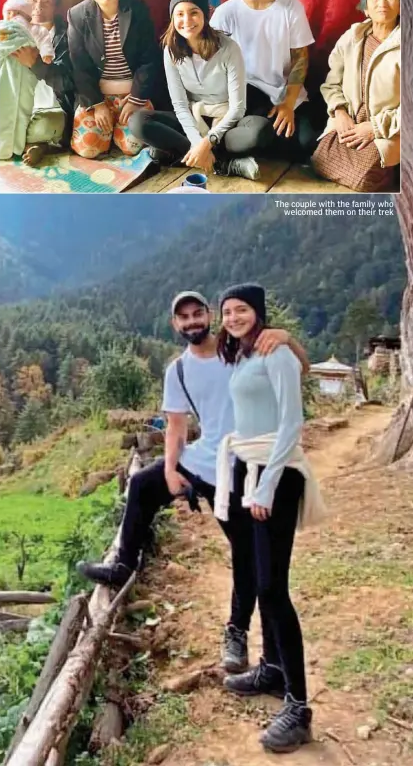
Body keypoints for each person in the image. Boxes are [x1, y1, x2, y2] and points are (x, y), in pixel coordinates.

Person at [77, 290, 309, 674]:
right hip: (205, 458)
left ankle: (238, 632)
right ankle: (123, 564)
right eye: (183, 317)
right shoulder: (178, 370)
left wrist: (287, 338)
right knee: (143, 485)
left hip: (244, 465)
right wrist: (170, 469)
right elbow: (176, 427)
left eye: (197, 314)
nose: (191, 322)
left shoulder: (238, 349)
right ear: (175, 324)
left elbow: (298, 368)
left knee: (247, 555)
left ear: (209, 317)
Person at [215, 283, 325, 754]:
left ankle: (298, 707)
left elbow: (291, 423)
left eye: (242, 310)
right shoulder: (242, 353)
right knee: (260, 581)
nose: (233, 317)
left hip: (273, 474)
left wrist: (266, 484)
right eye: (227, 311)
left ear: (258, 313)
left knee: (273, 590)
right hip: (247, 466)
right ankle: (274, 669)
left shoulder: (274, 352)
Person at [129, 0, 275, 181]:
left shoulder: (229, 48)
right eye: (179, 14)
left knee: (259, 131)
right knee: (137, 122)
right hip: (193, 117)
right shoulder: (170, 50)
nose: (186, 21)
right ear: (173, 18)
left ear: (206, 15)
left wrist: (208, 141)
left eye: (194, 13)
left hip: (226, 121)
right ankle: (224, 163)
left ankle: (181, 155)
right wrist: (197, 141)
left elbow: (238, 108)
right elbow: (180, 106)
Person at [210, 0, 322, 161]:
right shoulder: (225, 13)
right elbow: (213, 63)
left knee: (307, 145)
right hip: (248, 96)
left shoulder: (291, 7)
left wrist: (288, 104)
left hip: (288, 93)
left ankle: (253, 146)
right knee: (262, 134)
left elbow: (301, 59)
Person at [312, 0, 400, 192]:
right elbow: (331, 84)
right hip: (349, 122)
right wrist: (339, 112)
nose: (382, 4)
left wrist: (374, 128)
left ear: (401, 5)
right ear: (365, 9)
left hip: (390, 128)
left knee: (363, 180)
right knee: (318, 161)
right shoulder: (352, 37)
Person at [68, 0, 160, 159]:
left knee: (133, 147)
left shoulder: (138, 11)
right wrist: (98, 104)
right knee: (88, 149)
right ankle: (107, 134)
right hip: (97, 96)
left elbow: (149, 59)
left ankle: (116, 133)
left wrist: (136, 99)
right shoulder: (77, 15)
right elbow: (79, 66)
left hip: (132, 94)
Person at [10, 0, 76, 166]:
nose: (38, 7)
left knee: (48, 124)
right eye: (33, 0)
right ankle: (36, 144)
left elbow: (67, 82)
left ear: (55, 7)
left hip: (51, 107)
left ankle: (36, 144)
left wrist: (35, 63)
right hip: (17, 104)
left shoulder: (68, 37)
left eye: (46, 2)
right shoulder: (10, 33)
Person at [2, 0, 55, 64]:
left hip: (27, 60)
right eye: (9, 13)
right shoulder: (1, 27)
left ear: (28, 18)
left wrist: (46, 53)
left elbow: (44, 40)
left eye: (18, 13)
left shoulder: (35, 29)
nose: (12, 16)